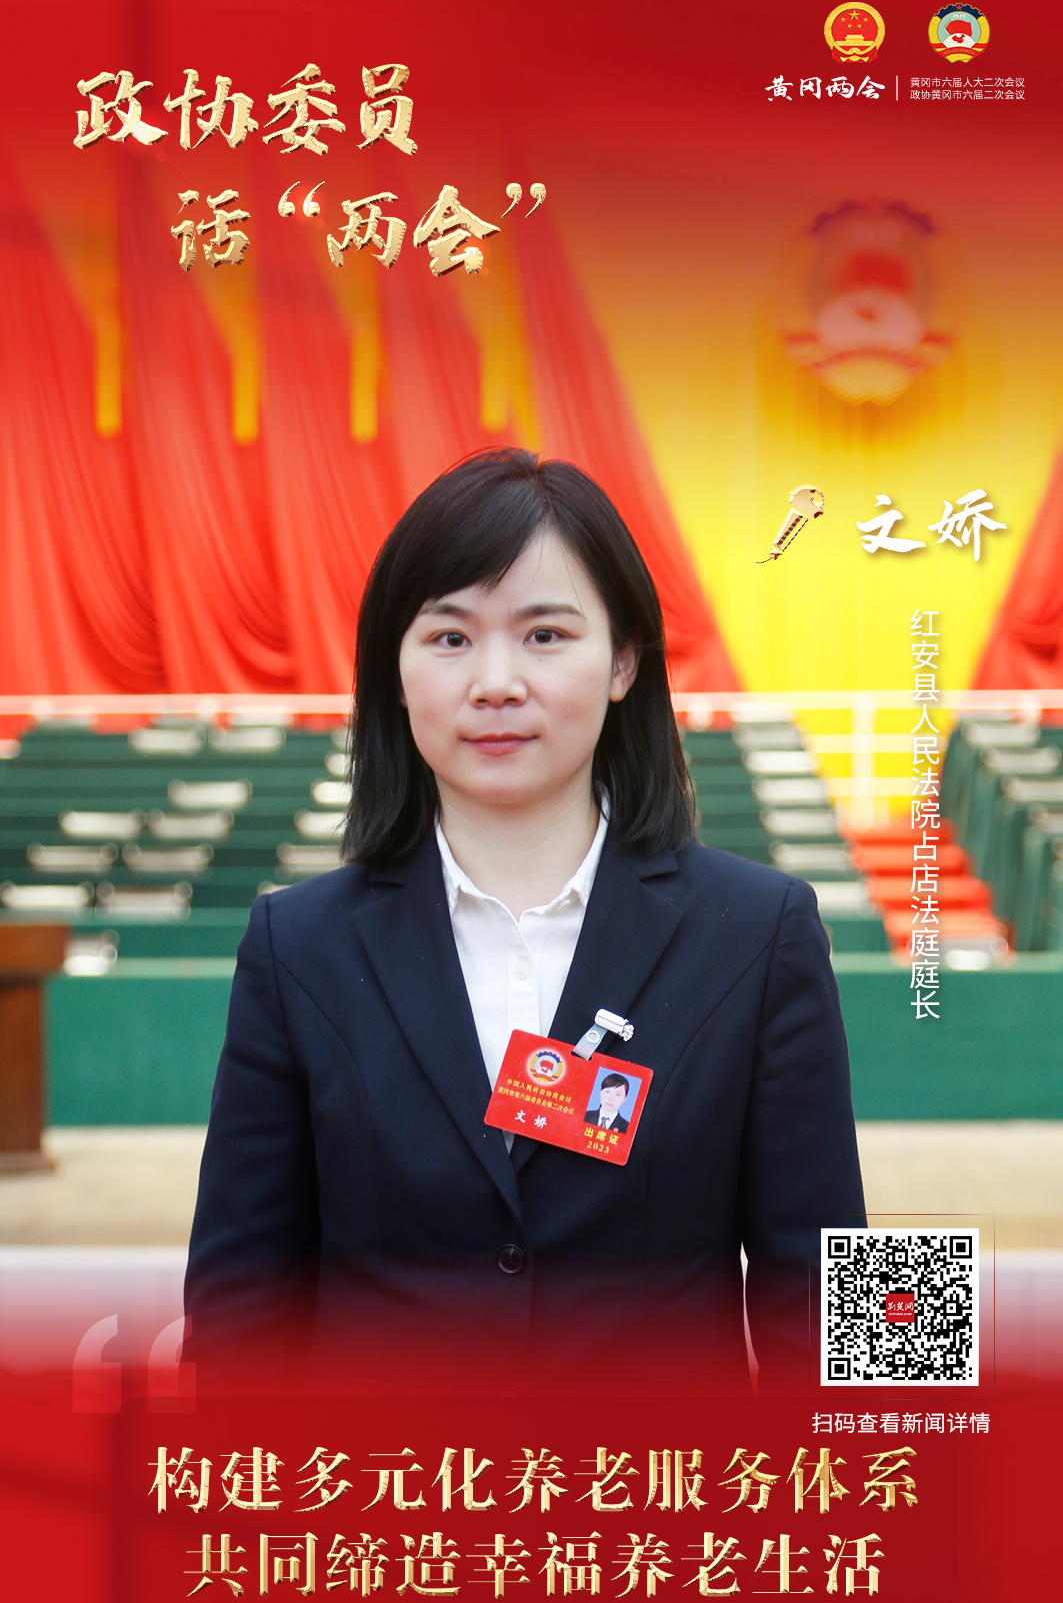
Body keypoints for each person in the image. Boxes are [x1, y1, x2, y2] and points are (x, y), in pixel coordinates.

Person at [185, 448, 865, 1394]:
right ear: (393, 672)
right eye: (449, 637)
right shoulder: (295, 946)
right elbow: (236, 1318)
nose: (496, 682)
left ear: (623, 660)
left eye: (544, 634)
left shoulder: (763, 930)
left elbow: (839, 1315)